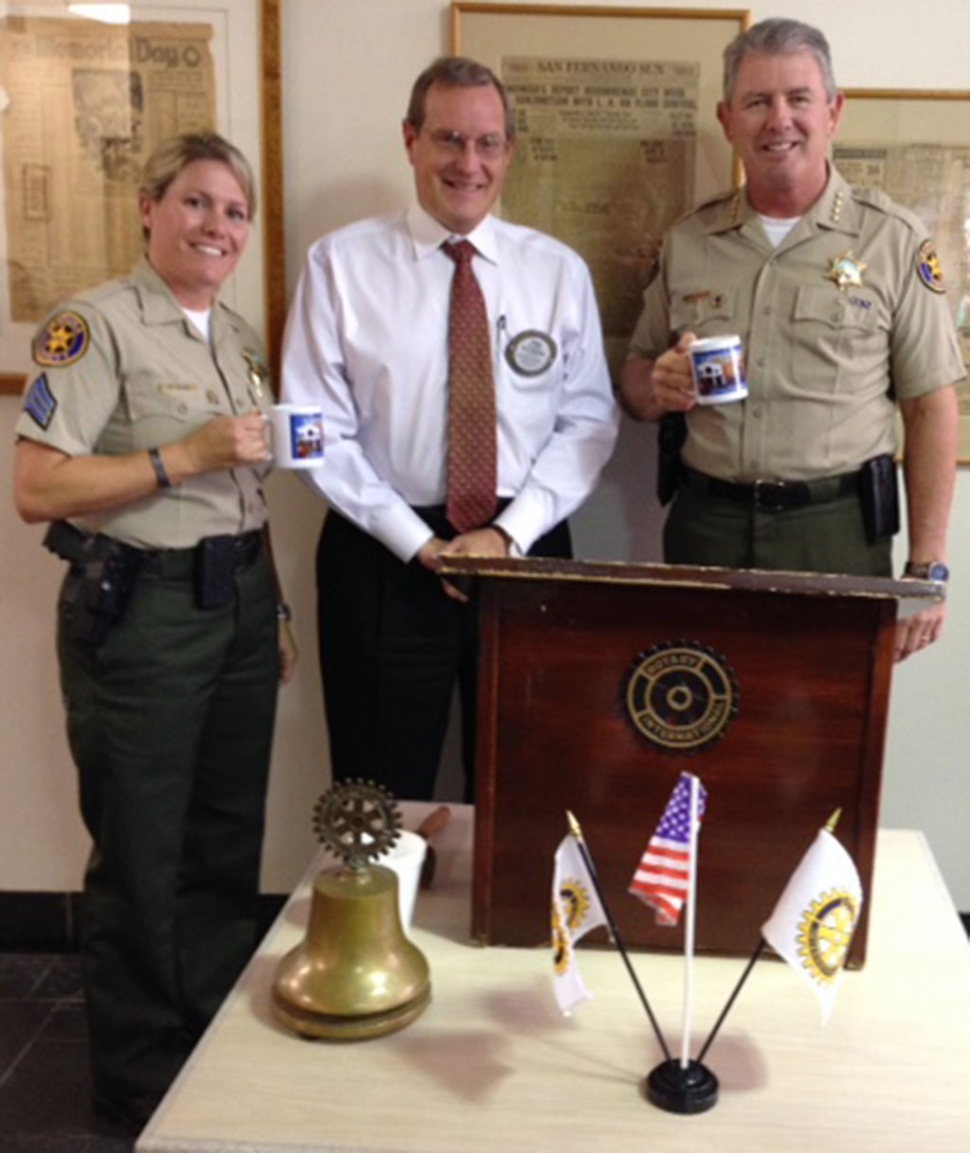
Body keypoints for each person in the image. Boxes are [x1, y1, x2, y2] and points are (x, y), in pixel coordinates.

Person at [12, 132, 296, 1133]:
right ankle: (134, 1074)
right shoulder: (95, 326)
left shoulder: (236, 337)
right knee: (140, 848)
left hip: (237, 601)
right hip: (143, 613)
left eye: (233, 212)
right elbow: (37, 487)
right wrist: (179, 455)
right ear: (149, 207)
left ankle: (209, 1036)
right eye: (196, 203)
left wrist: (277, 607)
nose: (216, 226)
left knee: (225, 838)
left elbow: (247, 485)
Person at [282, 56, 618, 802]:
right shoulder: (339, 264)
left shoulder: (557, 271)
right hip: (384, 552)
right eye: (449, 140)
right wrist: (417, 542)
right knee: (378, 785)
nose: (470, 163)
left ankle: (509, 922)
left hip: (524, 546)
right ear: (410, 140)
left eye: (488, 143)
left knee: (526, 777)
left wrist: (508, 534)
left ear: (509, 151)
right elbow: (314, 429)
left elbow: (589, 419)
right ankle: (379, 917)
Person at [619, 19, 962, 663]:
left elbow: (930, 406)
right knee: (697, 720)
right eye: (757, 101)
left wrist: (929, 565)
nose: (780, 119)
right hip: (706, 528)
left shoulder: (892, 241)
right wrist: (657, 385)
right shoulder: (688, 242)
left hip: (835, 535)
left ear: (833, 111)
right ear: (728, 119)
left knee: (824, 744)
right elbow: (635, 384)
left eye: (798, 98)